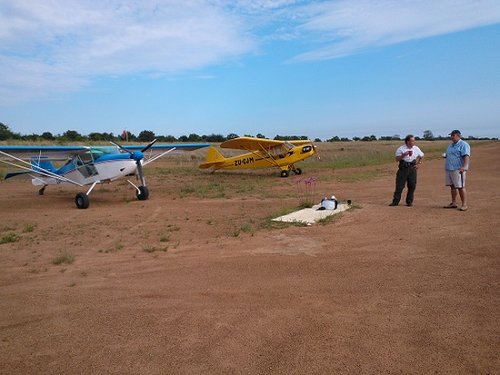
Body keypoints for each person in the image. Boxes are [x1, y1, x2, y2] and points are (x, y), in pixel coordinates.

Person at [389, 135, 424, 207]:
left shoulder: (416, 148)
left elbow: (422, 156)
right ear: (408, 141)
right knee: (399, 186)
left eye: (414, 141)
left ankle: (409, 201)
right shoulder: (401, 149)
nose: (414, 142)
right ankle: (395, 201)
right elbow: (397, 159)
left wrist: (418, 163)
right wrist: (403, 155)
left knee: (412, 185)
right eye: (412, 141)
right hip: (403, 168)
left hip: (412, 168)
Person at [443, 130, 470, 211]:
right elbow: (449, 154)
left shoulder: (464, 145)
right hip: (449, 168)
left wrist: (464, 167)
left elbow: (466, 156)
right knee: (452, 186)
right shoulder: (450, 145)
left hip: (458, 169)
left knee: (460, 186)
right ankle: (453, 203)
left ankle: (464, 204)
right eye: (451, 135)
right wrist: (445, 155)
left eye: (453, 135)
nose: (451, 137)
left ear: (458, 136)